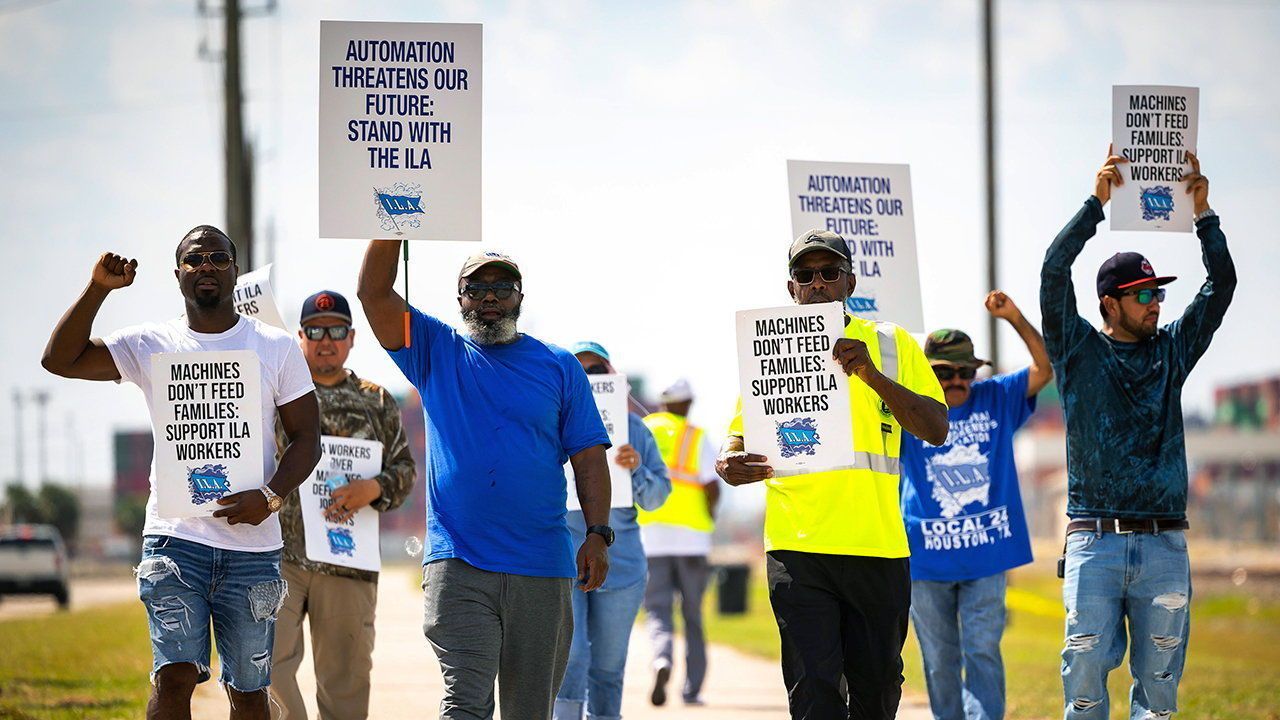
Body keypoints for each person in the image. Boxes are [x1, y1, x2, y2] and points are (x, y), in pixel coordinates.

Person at [40, 226, 321, 720]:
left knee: (250, 693)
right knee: (173, 677)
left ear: (235, 270)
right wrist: (99, 290)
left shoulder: (274, 347)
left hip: (252, 549)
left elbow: (307, 439)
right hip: (175, 544)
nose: (206, 266)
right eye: (194, 260)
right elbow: (58, 359)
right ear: (178, 275)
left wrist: (272, 497)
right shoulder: (151, 344)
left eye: (218, 257)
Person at [356, 243, 614, 720]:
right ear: (460, 298)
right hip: (458, 563)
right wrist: (391, 223)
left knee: (529, 710)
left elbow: (589, 458)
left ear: (520, 297)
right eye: (477, 288)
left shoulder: (559, 366)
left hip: (541, 564)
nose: (489, 297)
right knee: (464, 703)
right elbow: (373, 293)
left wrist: (598, 534)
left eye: (502, 288)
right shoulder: (435, 351)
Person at [717, 229, 948, 719]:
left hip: (877, 546)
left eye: (829, 272)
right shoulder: (768, 347)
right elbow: (738, 436)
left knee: (877, 689)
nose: (817, 282)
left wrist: (871, 374)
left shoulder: (891, 342)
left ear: (850, 282)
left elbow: (936, 428)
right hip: (798, 548)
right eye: (805, 274)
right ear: (791, 288)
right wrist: (727, 461)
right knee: (814, 692)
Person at [1041, 149, 1234, 719]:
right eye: (1144, 294)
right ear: (1110, 303)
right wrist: (1094, 204)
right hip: (1094, 542)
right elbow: (1054, 272)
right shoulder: (1077, 351)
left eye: (1159, 294)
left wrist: (1204, 215)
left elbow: (1220, 285)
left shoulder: (1171, 352)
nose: (1156, 304)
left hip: (1165, 545)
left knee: (1160, 690)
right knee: (1082, 677)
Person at [899, 292, 1053, 720]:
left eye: (965, 372)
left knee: (983, 650)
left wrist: (1015, 318)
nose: (957, 382)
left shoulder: (997, 397)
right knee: (939, 661)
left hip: (987, 557)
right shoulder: (909, 408)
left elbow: (1045, 369)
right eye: (945, 373)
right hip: (925, 562)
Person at [269, 290, 417, 719]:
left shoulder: (376, 399)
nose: (326, 340)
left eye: (336, 330)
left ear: (351, 337)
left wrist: (373, 488)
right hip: (280, 556)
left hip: (347, 561)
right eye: (315, 331)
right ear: (300, 337)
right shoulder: (275, 393)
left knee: (346, 683)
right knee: (264, 671)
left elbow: (405, 469)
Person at [554, 341, 672, 720]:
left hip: (621, 566)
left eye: (597, 371)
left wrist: (635, 467)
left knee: (607, 664)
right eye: (580, 371)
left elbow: (657, 498)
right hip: (563, 560)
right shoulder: (550, 422)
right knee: (571, 657)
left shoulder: (636, 431)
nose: (589, 378)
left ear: (613, 376)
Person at [636, 378, 721, 706]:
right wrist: (710, 517)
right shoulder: (696, 436)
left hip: (651, 539)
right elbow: (712, 486)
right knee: (693, 616)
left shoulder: (643, 430)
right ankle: (692, 689)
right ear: (687, 403)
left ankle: (662, 660)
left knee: (657, 610)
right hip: (692, 542)